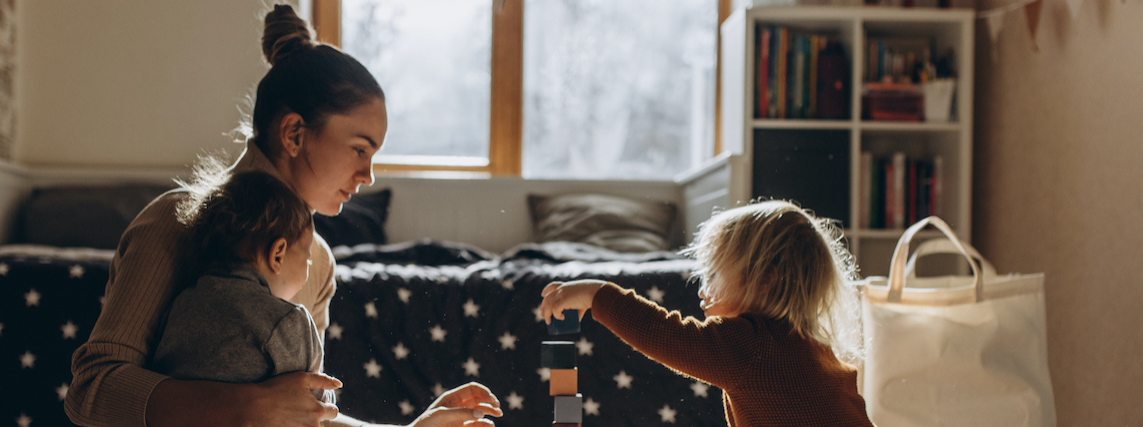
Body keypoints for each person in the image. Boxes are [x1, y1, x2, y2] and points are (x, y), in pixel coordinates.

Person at [64, 5, 502, 427]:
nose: (368, 175)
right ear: (294, 133)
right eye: (360, 148)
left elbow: (300, 413)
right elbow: (92, 390)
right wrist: (245, 406)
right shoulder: (174, 222)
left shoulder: (319, 261)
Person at [538, 201, 873, 427]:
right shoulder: (816, 351)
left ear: (766, 280)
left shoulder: (751, 345)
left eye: (714, 275)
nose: (702, 287)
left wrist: (597, 294)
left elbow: (664, 333)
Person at [151, 171, 333, 403]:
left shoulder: (179, 305)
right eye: (307, 259)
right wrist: (328, 396)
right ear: (277, 254)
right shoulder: (288, 321)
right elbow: (316, 407)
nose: (308, 269)